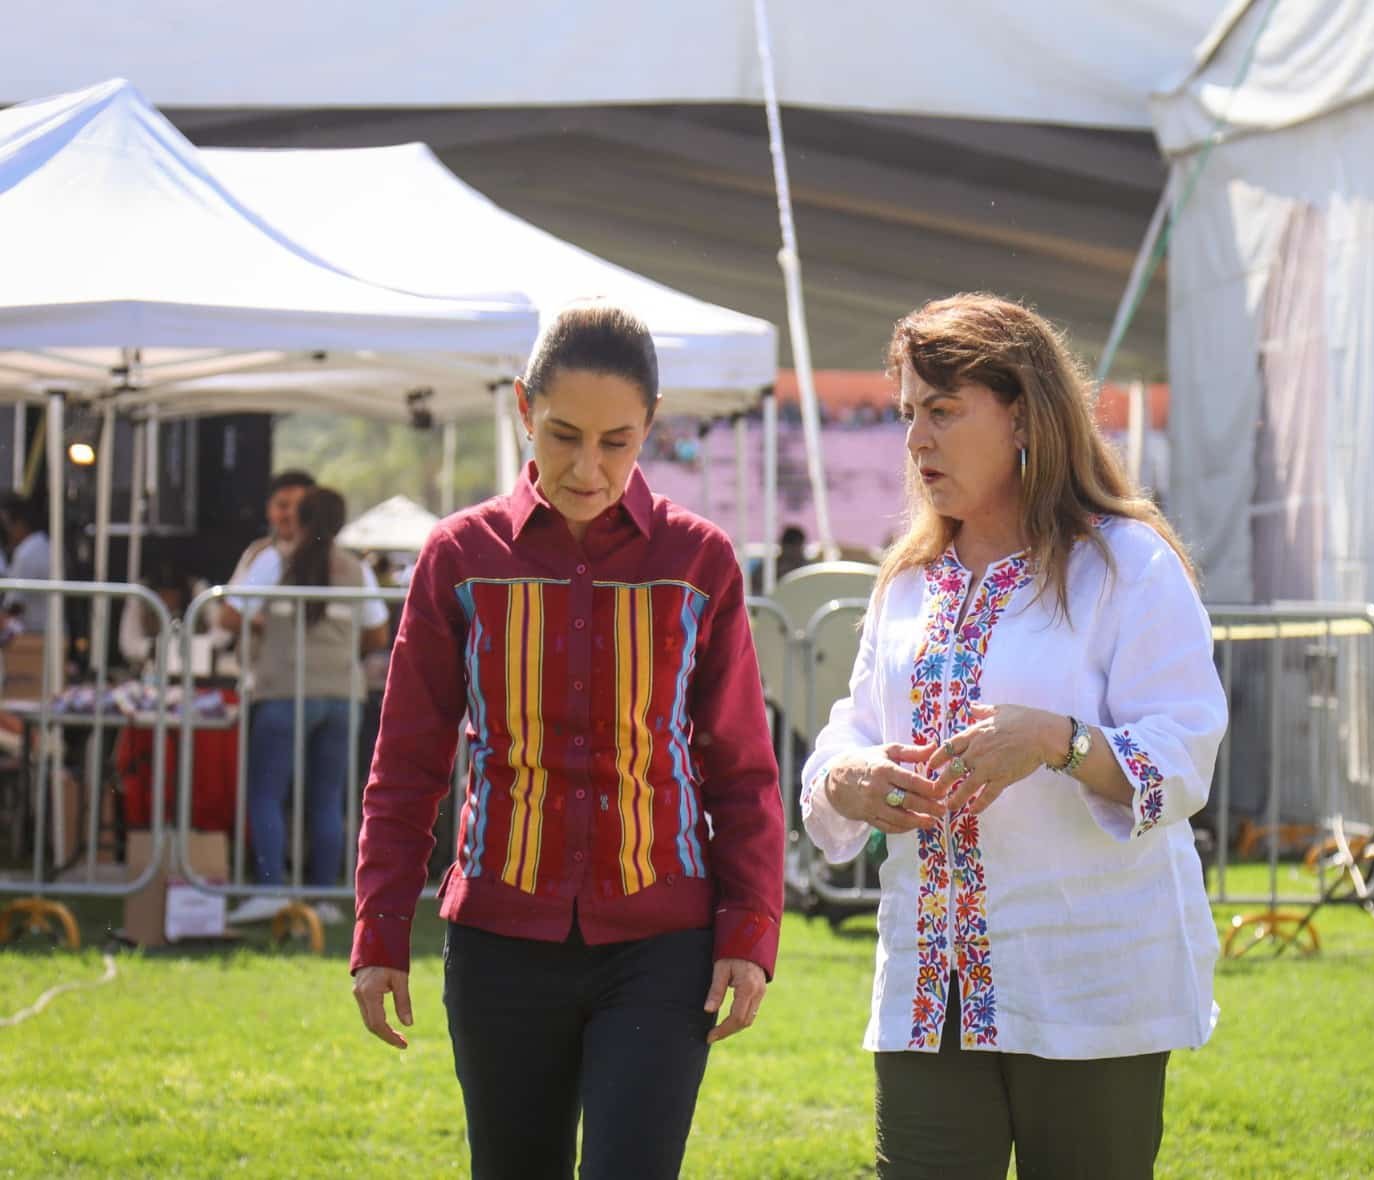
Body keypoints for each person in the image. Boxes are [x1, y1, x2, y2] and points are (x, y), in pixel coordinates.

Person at [349, 302, 785, 1180]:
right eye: (564, 435)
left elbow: (741, 763)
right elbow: (407, 761)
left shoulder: (700, 561)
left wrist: (750, 927)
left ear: (651, 427)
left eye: (618, 441)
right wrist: (381, 926)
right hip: (500, 941)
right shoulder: (457, 557)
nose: (590, 467)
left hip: (665, 940)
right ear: (522, 409)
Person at [801, 294, 1228, 1180]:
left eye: (945, 411)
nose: (916, 440)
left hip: (1087, 984)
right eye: (908, 413)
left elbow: (1185, 754)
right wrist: (849, 777)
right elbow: (850, 733)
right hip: (929, 981)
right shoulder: (909, 585)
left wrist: (1057, 741)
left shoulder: (1126, 564)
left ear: (1025, 413)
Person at [220, 487, 390, 925]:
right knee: (328, 798)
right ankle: (325, 897)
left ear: (300, 517)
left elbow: (228, 616)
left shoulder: (275, 561)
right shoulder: (357, 569)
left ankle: (271, 889)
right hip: (340, 694)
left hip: (283, 690)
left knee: (267, 794)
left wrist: (265, 626)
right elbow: (376, 633)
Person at [0, 492, 52, 635]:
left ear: (20, 524)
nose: (6, 534)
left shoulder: (27, 552)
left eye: (6, 526)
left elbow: (14, 607)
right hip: (48, 631)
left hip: (36, 636)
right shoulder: (44, 544)